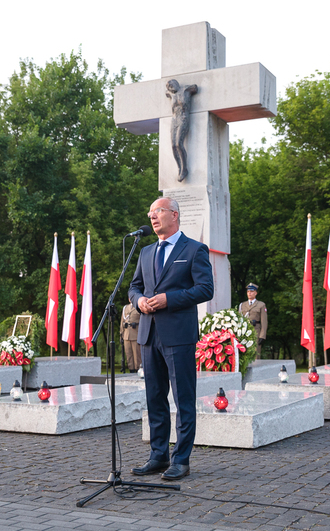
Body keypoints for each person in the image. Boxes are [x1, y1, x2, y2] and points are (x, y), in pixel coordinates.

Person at [128, 196, 213, 481]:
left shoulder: (194, 249)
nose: (153, 217)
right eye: (150, 212)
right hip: (149, 334)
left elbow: (205, 289)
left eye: (158, 211)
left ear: (174, 215)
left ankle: (181, 459)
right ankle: (158, 455)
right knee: (155, 398)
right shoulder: (146, 252)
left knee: (183, 399)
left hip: (178, 335)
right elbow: (134, 286)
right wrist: (139, 301)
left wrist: (169, 299)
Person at [166, 79, 198, 182]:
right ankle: (179, 168)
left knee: (179, 144)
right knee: (173, 146)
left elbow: (195, 87)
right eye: (169, 88)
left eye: (171, 86)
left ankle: (184, 168)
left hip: (183, 118)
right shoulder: (172, 95)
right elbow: (167, 94)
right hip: (174, 120)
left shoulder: (186, 90)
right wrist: (169, 93)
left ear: (176, 84)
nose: (170, 89)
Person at [238, 283, 267, 356]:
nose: (249, 293)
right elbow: (239, 319)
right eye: (248, 291)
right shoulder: (242, 305)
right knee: (244, 353)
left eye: (251, 291)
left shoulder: (261, 305)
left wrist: (262, 336)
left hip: (256, 331)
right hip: (245, 331)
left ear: (255, 293)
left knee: (255, 353)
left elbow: (264, 321)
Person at [121, 303, 142, 372]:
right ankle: (131, 369)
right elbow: (122, 322)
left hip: (136, 334)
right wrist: (121, 333)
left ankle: (138, 369)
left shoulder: (139, 306)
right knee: (128, 354)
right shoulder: (125, 308)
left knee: (137, 355)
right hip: (126, 335)